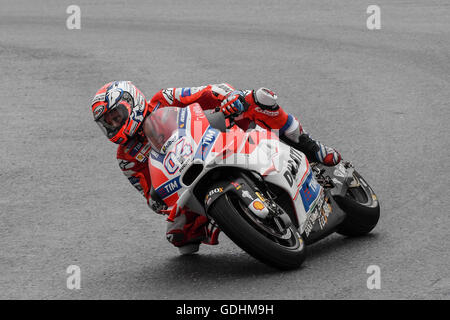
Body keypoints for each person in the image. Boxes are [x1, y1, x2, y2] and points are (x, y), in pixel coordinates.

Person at [91, 81, 341, 254]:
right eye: (108, 123)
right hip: (186, 180)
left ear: (131, 102)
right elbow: (148, 192)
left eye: (116, 116)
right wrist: (156, 201)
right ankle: (226, 217)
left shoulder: (164, 99)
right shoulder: (126, 156)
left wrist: (229, 98)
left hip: (216, 138)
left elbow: (209, 92)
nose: (113, 125)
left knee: (258, 99)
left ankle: (310, 146)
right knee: (180, 240)